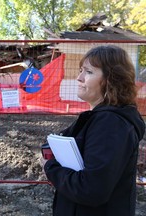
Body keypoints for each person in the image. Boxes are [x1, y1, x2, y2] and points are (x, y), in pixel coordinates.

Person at [41, 45, 145, 216]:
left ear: (111, 80)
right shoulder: (99, 118)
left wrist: (50, 167)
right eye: (81, 70)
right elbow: (53, 143)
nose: (79, 78)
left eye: (88, 72)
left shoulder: (111, 124)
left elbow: (90, 189)